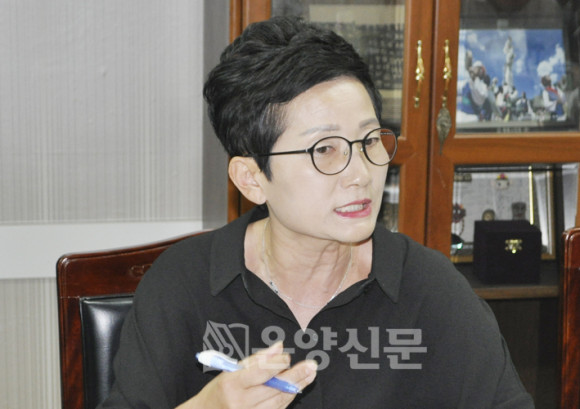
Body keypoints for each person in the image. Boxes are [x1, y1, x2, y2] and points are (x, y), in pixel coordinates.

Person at [99, 17, 534, 409]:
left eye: (369, 141)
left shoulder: (429, 289)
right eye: (325, 149)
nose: (361, 174)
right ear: (251, 179)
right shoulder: (183, 285)